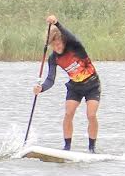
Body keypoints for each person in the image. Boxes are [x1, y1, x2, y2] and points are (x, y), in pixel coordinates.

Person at [34, 15, 102, 152]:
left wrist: (57, 23)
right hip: (75, 87)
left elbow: (71, 36)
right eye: (53, 45)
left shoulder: (75, 46)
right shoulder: (53, 58)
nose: (57, 47)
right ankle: (67, 147)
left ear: (63, 41)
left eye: (58, 44)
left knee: (91, 115)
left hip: (92, 85)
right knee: (68, 113)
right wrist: (41, 88)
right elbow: (50, 80)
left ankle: (92, 148)